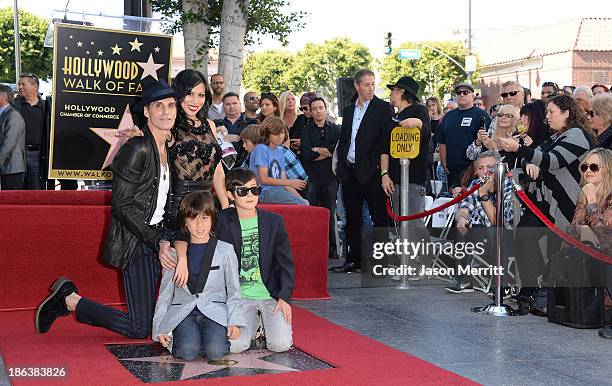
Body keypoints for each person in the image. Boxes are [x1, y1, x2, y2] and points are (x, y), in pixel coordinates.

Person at [35, 80, 177, 338]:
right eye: (159, 106)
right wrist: (158, 242)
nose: (166, 112)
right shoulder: (137, 148)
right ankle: (70, 300)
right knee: (140, 328)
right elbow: (122, 206)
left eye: (170, 105)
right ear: (146, 111)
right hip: (136, 242)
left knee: (165, 316)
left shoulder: (168, 147)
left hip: (161, 236)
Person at [499, 95, 593, 314]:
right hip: (545, 202)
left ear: (567, 113)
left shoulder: (577, 135)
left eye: (552, 112)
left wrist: (519, 150)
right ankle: (529, 292)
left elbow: (552, 161)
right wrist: (529, 158)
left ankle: (542, 294)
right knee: (524, 236)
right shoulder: (556, 136)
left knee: (551, 248)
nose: (547, 117)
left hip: (565, 204)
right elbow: (534, 158)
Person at [152, 192, 244, 360]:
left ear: (212, 220)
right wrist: (160, 327)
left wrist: (234, 321)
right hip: (184, 312)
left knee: (216, 352)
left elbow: (234, 291)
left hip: (214, 311)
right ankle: (186, 338)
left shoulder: (225, 250)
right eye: (193, 219)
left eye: (205, 218)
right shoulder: (173, 254)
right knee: (187, 352)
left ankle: (205, 339)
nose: (199, 225)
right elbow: (165, 294)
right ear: (185, 222)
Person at [218, 168, 295, 353]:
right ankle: (255, 323)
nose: (250, 195)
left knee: (280, 345)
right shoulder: (220, 221)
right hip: (239, 297)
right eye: (242, 191)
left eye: (254, 189)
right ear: (230, 195)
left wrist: (284, 297)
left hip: (270, 294)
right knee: (235, 346)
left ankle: (262, 322)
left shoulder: (274, 222)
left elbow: (285, 262)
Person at [332, 68, 393, 273]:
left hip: (372, 171)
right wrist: (341, 165)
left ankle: (382, 262)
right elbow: (345, 139)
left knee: (379, 216)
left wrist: (382, 170)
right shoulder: (349, 110)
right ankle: (353, 259)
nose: (370, 88)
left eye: (373, 84)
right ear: (357, 86)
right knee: (352, 217)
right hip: (349, 170)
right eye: (366, 84)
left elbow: (385, 142)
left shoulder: (383, 108)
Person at [166, 69, 229, 233]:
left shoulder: (210, 125)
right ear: (179, 94)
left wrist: (226, 207)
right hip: (179, 205)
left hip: (207, 204)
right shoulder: (169, 125)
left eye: (201, 95)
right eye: (190, 94)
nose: (195, 101)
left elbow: (218, 171)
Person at [381, 76, 432, 272]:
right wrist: (384, 174)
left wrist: (417, 122)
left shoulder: (419, 110)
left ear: (401, 91)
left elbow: (427, 133)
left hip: (414, 176)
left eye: (393, 90)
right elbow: (384, 150)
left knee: (414, 222)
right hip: (393, 177)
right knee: (400, 224)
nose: (390, 94)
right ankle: (407, 264)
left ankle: (427, 261)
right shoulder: (391, 117)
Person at [446, 151, 515, 293]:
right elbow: (464, 208)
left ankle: (502, 286)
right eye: (481, 168)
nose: (485, 172)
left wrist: (483, 195)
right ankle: (463, 279)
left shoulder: (508, 185)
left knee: (493, 230)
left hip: (507, 237)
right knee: (463, 227)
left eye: (490, 167)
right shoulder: (476, 183)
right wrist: (462, 219)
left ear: (499, 168)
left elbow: (498, 221)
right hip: (482, 235)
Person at [567, 148, 612, 339]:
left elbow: (607, 240)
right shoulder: (584, 195)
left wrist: (593, 202)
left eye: (594, 167)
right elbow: (572, 231)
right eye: (584, 167)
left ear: (608, 170)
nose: (588, 171)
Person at [300, 97, 341, 259]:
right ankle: (314, 248)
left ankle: (332, 249)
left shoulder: (336, 129)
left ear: (325, 109)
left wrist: (318, 149)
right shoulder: (306, 130)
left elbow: (337, 152)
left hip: (331, 177)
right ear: (310, 111)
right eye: (314, 108)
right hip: (313, 177)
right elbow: (307, 154)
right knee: (313, 213)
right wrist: (326, 152)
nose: (318, 111)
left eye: (320, 107)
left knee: (330, 213)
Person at [438, 83, 491, 189]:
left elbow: (489, 142)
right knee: (453, 202)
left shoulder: (482, 115)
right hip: (452, 171)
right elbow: (442, 141)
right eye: (458, 93)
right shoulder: (448, 116)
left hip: (473, 170)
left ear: (472, 95)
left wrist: (480, 167)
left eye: (465, 92)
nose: (461, 95)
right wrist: (444, 164)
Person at [249, 116, 308, 205]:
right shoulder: (261, 149)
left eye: (283, 133)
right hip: (264, 192)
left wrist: (301, 199)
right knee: (301, 204)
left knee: (304, 203)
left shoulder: (280, 151)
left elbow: (284, 181)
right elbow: (263, 179)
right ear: (267, 133)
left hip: (278, 191)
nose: (280, 136)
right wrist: (291, 182)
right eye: (276, 133)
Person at [12, 73, 50, 190]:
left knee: (35, 192)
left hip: (37, 155)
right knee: (16, 191)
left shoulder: (46, 107)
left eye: (23, 84)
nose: (20, 87)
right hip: (17, 155)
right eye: (19, 84)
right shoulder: (14, 105)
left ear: (35, 86)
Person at [466, 104, 520, 169]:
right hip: (487, 177)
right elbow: (470, 156)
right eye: (500, 115)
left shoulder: (518, 138)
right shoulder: (488, 136)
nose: (503, 117)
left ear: (515, 119)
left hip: (511, 177)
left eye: (508, 115)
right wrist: (478, 141)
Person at [0, 84, 26, 190]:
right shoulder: (4, 114)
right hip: (6, 167)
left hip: (12, 168)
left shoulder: (13, 115)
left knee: (12, 203)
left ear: (4, 96)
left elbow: (9, 143)